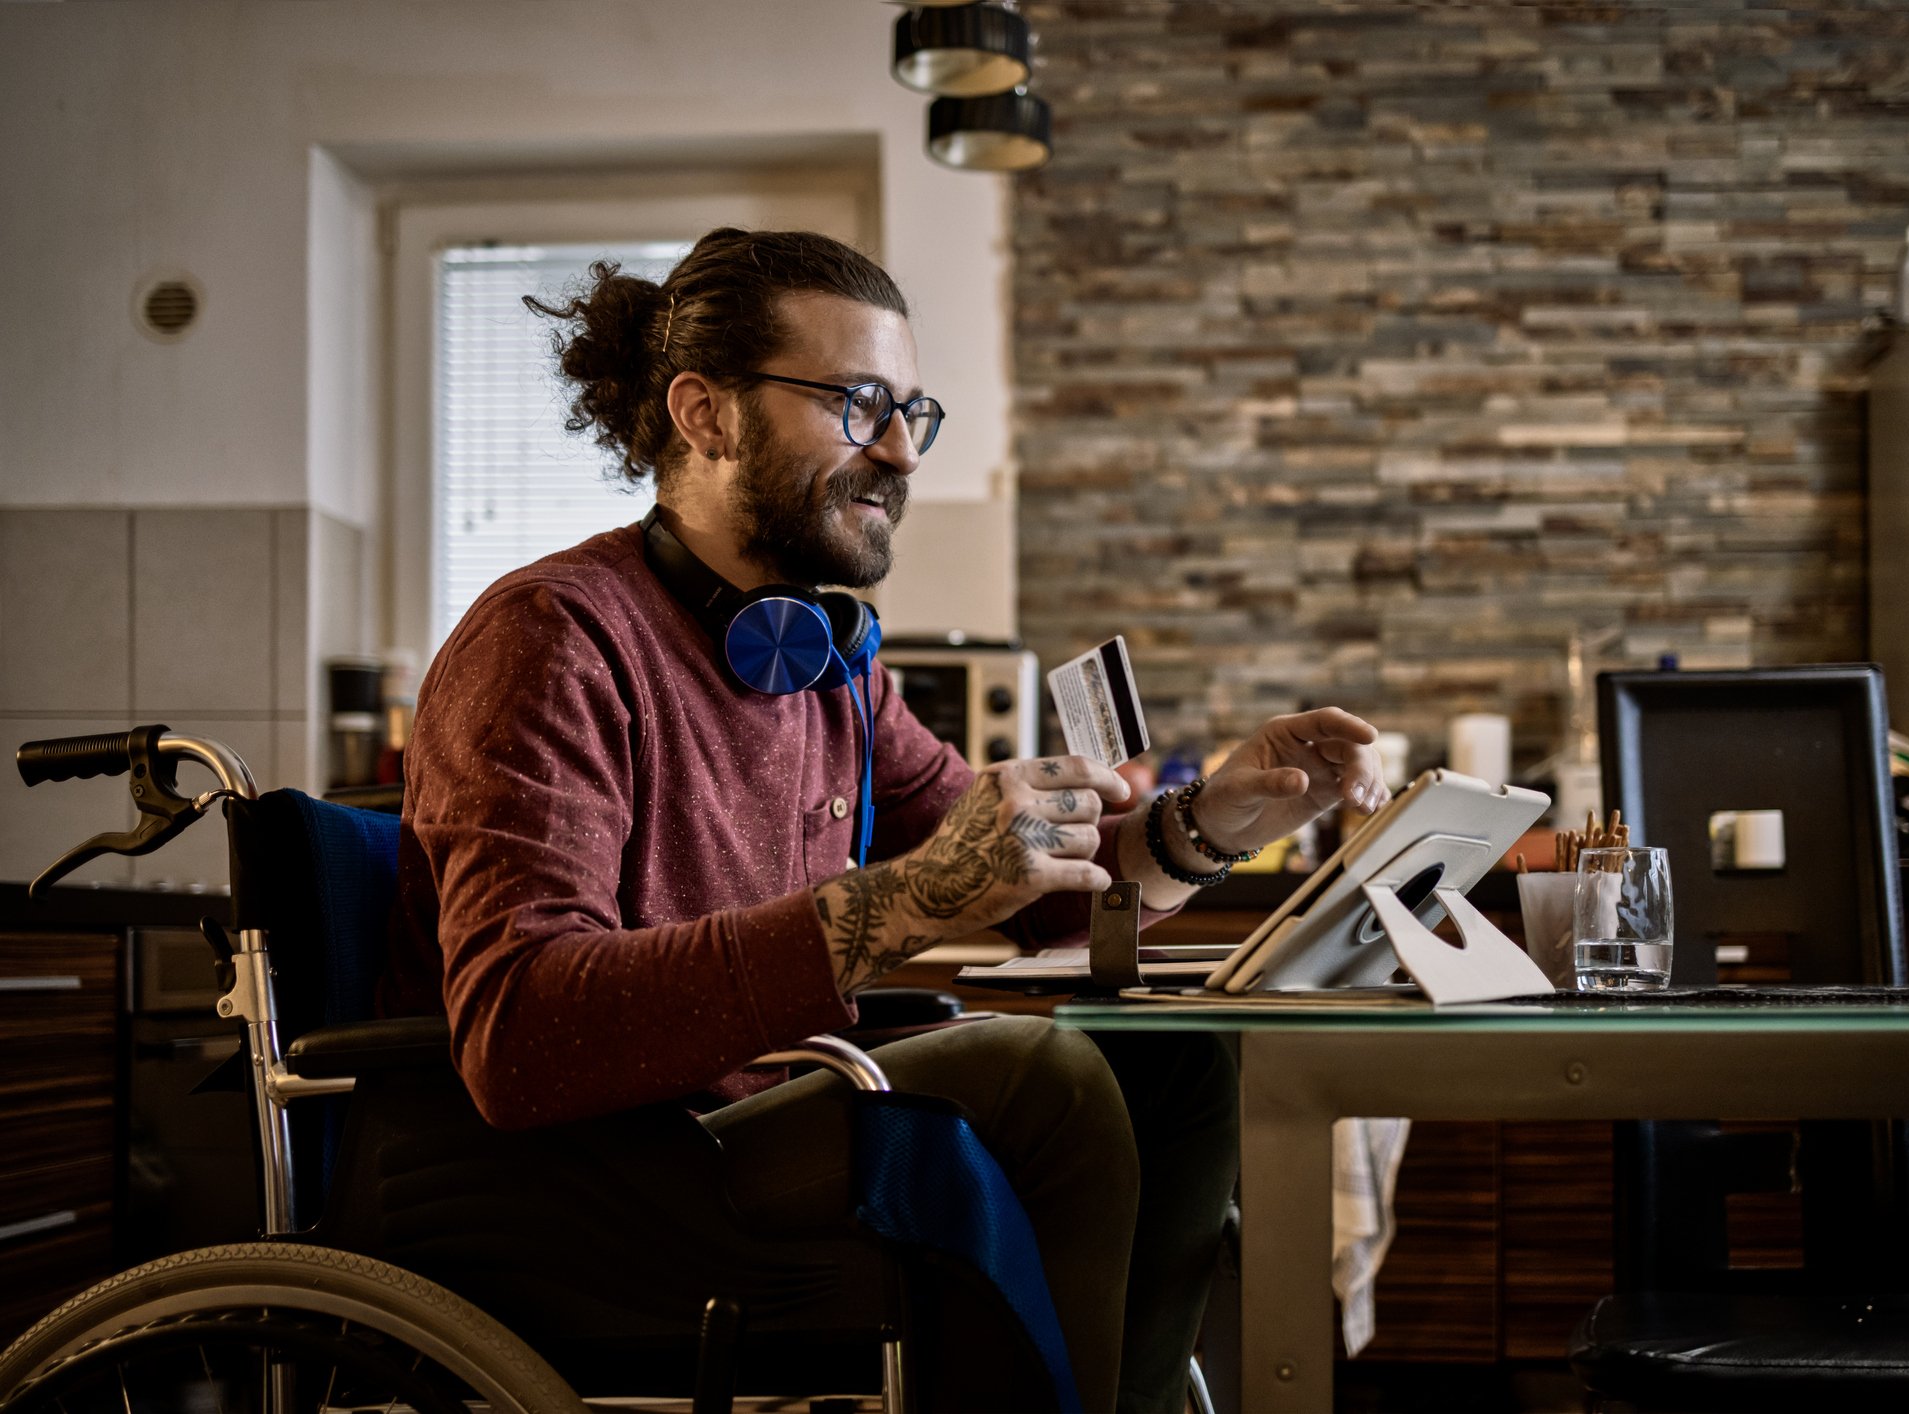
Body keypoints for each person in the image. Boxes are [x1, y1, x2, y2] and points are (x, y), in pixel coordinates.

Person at [375, 227, 1385, 1413]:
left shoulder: (832, 666)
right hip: (598, 1173)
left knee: (1175, 1066)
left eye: (913, 411)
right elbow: (520, 1035)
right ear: (704, 413)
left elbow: (1027, 893)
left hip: (760, 1120)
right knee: (1036, 1071)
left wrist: (1218, 813)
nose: (902, 451)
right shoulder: (551, 637)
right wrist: (911, 898)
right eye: (858, 404)